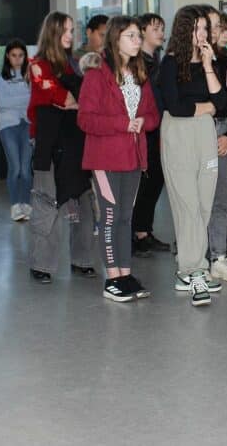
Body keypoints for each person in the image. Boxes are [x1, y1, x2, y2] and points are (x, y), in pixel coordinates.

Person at [78, 17, 162, 303]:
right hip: (106, 158)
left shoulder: (139, 75)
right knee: (111, 217)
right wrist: (122, 123)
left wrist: (141, 121)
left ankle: (125, 274)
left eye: (139, 36)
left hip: (133, 158)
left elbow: (153, 115)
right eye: (131, 36)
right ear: (116, 40)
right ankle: (112, 278)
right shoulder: (96, 75)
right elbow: (85, 119)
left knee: (126, 218)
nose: (138, 41)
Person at [157, 5, 227, 306]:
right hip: (179, 134)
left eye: (206, 28)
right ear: (186, 30)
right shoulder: (171, 63)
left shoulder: (211, 62)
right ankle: (194, 270)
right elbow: (176, 107)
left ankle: (190, 268)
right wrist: (207, 107)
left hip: (204, 134)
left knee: (202, 204)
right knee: (186, 204)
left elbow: (223, 103)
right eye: (199, 28)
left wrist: (210, 65)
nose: (204, 34)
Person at [25, 13, 97, 282]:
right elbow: (63, 97)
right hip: (50, 145)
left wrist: (75, 100)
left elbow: (85, 99)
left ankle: (82, 259)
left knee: (83, 204)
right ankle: (40, 265)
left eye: (71, 30)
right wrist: (73, 100)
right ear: (53, 33)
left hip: (76, 142)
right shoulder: (38, 65)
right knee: (47, 203)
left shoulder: (73, 65)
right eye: (65, 31)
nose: (70, 35)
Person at [202, 7, 227, 283]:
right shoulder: (188, 62)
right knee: (195, 200)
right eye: (217, 28)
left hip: (224, 135)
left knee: (219, 199)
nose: (223, 35)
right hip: (197, 135)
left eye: (225, 30)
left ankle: (218, 256)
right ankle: (193, 255)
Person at [131, 12, 170, 258]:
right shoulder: (136, 62)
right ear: (143, 31)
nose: (160, 33)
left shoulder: (159, 60)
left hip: (161, 127)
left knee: (156, 180)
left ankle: (144, 230)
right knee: (143, 183)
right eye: (156, 28)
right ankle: (135, 233)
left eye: (162, 29)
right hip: (143, 129)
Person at [0, 39, 33, 222]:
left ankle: (26, 204)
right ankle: (15, 206)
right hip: (8, 126)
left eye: (21, 55)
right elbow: (3, 103)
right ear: (7, 57)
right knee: (15, 167)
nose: (17, 59)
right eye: (13, 55)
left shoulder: (31, 75)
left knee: (26, 169)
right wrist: (23, 98)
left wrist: (17, 100)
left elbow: (33, 100)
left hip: (28, 124)